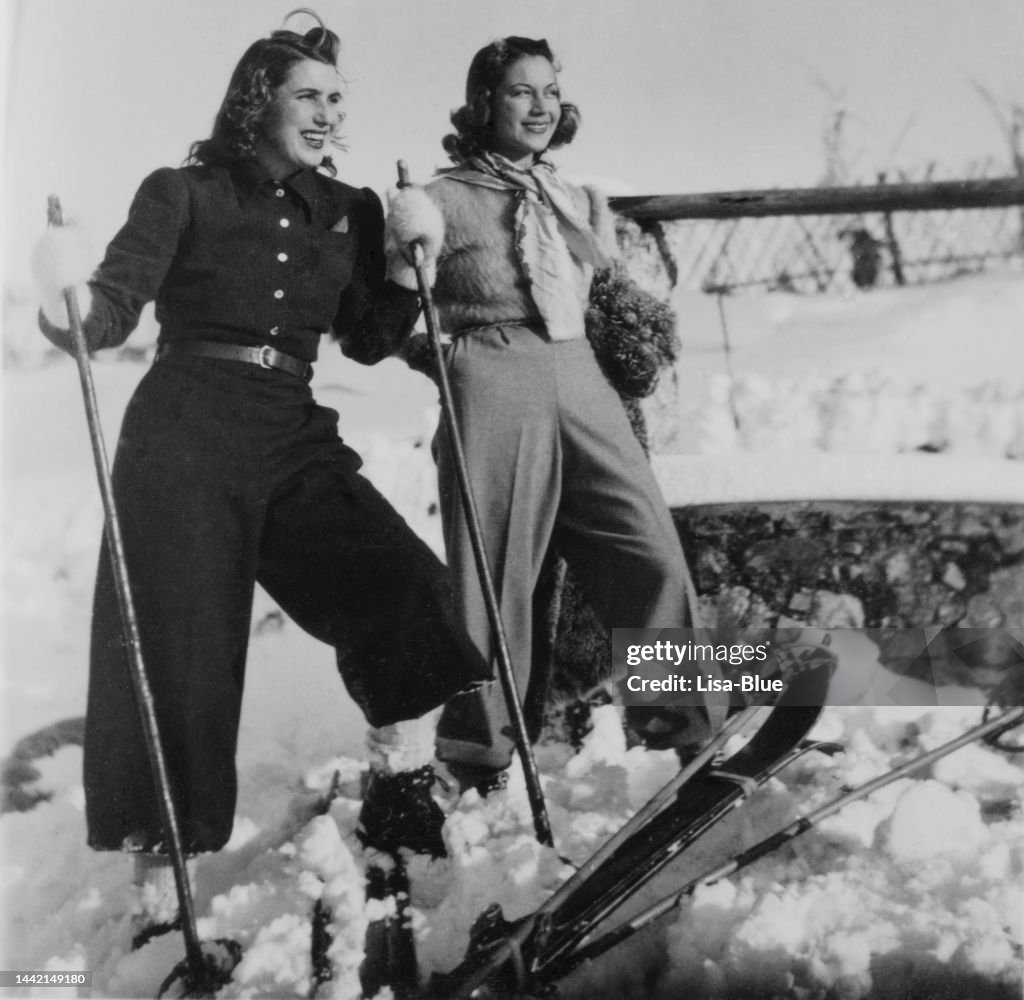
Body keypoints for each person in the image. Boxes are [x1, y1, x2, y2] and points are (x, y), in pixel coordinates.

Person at [30, 11, 488, 948]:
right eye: (307, 97)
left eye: (336, 101)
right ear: (256, 102)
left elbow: (364, 337)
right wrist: (67, 297)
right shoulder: (185, 192)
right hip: (184, 432)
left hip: (291, 431)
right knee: (180, 660)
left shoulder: (349, 208)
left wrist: (410, 263)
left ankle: (400, 791)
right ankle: (163, 903)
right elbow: (111, 310)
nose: (325, 115)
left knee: (407, 586)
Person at [385, 36, 727, 795]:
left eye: (548, 91)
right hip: (493, 381)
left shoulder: (569, 198)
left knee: (648, 552)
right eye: (519, 91)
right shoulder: (437, 198)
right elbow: (371, 314)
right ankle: (478, 761)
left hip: (581, 378)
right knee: (493, 578)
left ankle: (686, 730)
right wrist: (439, 357)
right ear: (482, 106)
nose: (539, 106)